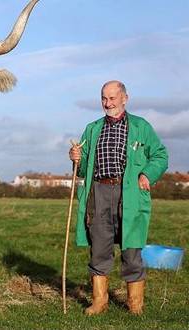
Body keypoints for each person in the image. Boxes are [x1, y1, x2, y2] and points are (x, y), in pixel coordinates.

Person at [69, 80, 168, 315]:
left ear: (125, 98)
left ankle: (135, 305)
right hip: (99, 193)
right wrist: (76, 158)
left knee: (131, 249)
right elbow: (83, 170)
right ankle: (99, 301)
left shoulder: (141, 126)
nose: (107, 103)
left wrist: (147, 174)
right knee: (99, 248)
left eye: (112, 98)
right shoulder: (92, 129)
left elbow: (160, 155)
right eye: (104, 98)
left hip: (130, 194)